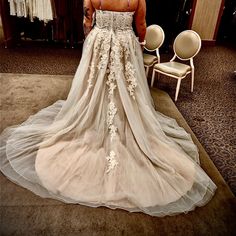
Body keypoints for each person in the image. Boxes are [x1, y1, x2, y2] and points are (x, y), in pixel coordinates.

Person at [0, 0, 216, 217]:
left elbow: (87, 21)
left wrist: (92, 38)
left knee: (94, 85)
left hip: (99, 41)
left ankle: (93, 119)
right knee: (126, 90)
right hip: (124, 44)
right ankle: (123, 119)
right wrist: (138, 43)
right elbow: (141, 26)